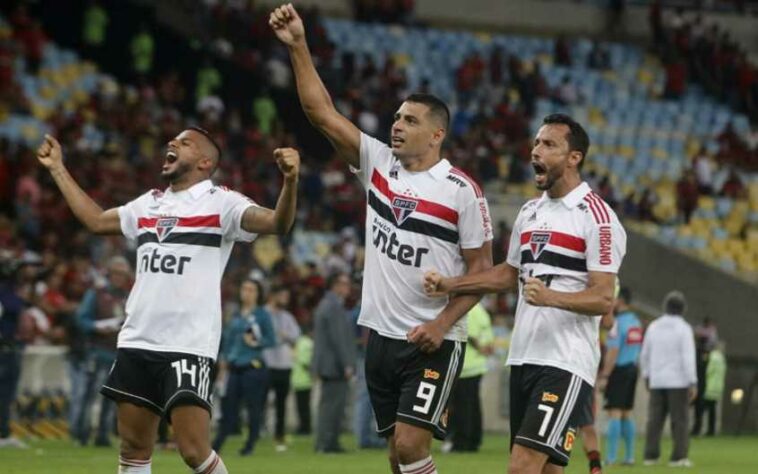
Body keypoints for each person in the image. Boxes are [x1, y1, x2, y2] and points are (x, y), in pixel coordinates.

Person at [270, 5, 494, 474]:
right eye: (396, 117)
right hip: (381, 339)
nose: (396, 124)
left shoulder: (462, 192)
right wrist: (298, 45)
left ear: (436, 134)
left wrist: (441, 324)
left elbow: (483, 273)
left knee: (413, 449)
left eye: (410, 120)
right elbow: (320, 113)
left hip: (433, 339)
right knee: (395, 456)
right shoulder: (378, 166)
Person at [35, 127, 300, 474]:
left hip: (187, 344)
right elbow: (97, 221)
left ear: (205, 162)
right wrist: (57, 167)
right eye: (173, 140)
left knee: (193, 450)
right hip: (137, 339)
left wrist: (290, 182)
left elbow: (277, 223)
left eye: (185, 142)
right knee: (133, 448)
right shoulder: (147, 204)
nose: (172, 143)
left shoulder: (222, 203)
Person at [424, 113, 626, 473]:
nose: (536, 150)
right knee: (546, 470)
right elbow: (506, 275)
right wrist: (451, 284)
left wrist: (551, 297)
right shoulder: (530, 211)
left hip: (565, 362)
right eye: (536, 142)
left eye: (548, 144)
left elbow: (603, 298)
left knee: (521, 467)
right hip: (523, 357)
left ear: (574, 157)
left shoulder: (598, 217)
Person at [72, 256, 132, 447]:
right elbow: (81, 319)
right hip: (96, 351)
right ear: (109, 273)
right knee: (89, 394)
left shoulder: (129, 296)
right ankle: (81, 433)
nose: (119, 277)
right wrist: (96, 327)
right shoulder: (95, 294)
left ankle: (103, 436)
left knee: (111, 397)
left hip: (117, 353)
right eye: (116, 273)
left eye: (123, 274)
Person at [212, 279, 276, 455]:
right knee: (228, 408)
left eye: (251, 289)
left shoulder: (262, 315)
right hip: (234, 367)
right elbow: (227, 339)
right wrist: (223, 359)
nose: (246, 292)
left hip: (253, 367)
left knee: (253, 408)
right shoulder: (236, 315)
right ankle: (216, 445)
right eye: (244, 288)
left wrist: (256, 342)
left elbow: (272, 340)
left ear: (257, 294)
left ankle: (249, 445)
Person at [640, 291, 697, 468]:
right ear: (683, 309)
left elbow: (645, 354)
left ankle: (650, 456)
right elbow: (688, 356)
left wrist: (646, 375)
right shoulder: (684, 328)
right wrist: (692, 381)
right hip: (678, 381)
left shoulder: (654, 326)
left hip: (657, 380)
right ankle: (678, 457)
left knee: (654, 421)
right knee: (679, 421)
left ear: (665, 306)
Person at [597, 287, 642, 466]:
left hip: (619, 370)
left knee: (614, 412)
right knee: (626, 413)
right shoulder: (636, 322)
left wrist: (605, 375)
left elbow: (613, 350)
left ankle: (611, 457)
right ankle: (629, 456)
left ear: (620, 301)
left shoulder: (617, 323)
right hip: (632, 369)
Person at [313, 272, 356, 453]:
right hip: (334, 365)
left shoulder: (326, 304)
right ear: (335, 286)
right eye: (344, 284)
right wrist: (347, 364)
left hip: (326, 364)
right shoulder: (333, 306)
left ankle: (326, 441)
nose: (348, 288)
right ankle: (327, 443)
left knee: (328, 405)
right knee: (333, 406)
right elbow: (338, 339)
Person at [442, 302, 494, 453]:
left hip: (465, 365)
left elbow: (469, 335)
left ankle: (461, 442)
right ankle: (474, 440)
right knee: (473, 406)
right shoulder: (481, 310)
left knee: (461, 406)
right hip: (477, 364)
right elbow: (488, 341)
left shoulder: (467, 308)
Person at [263, 285, 301, 452]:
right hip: (266, 363)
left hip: (284, 365)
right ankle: (257, 430)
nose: (285, 299)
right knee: (260, 400)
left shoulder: (287, 316)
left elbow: (296, 335)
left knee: (281, 402)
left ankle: (279, 434)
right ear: (273, 296)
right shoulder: (262, 314)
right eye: (282, 295)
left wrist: (285, 336)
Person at [291, 326, 314, 436]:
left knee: (300, 407)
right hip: (305, 379)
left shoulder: (299, 343)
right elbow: (307, 362)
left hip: (297, 379)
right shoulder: (309, 343)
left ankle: (303, 427)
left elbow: (299, 359)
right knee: (305, 407)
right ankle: (305, 427)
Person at [702, 341, 726, 436]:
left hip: (710, 386)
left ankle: (705, 429)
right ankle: (711, 430)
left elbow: (709, 371)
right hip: (718, 386)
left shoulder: (712, 357)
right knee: (713, 410)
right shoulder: (721, 358)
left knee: (704, 408)